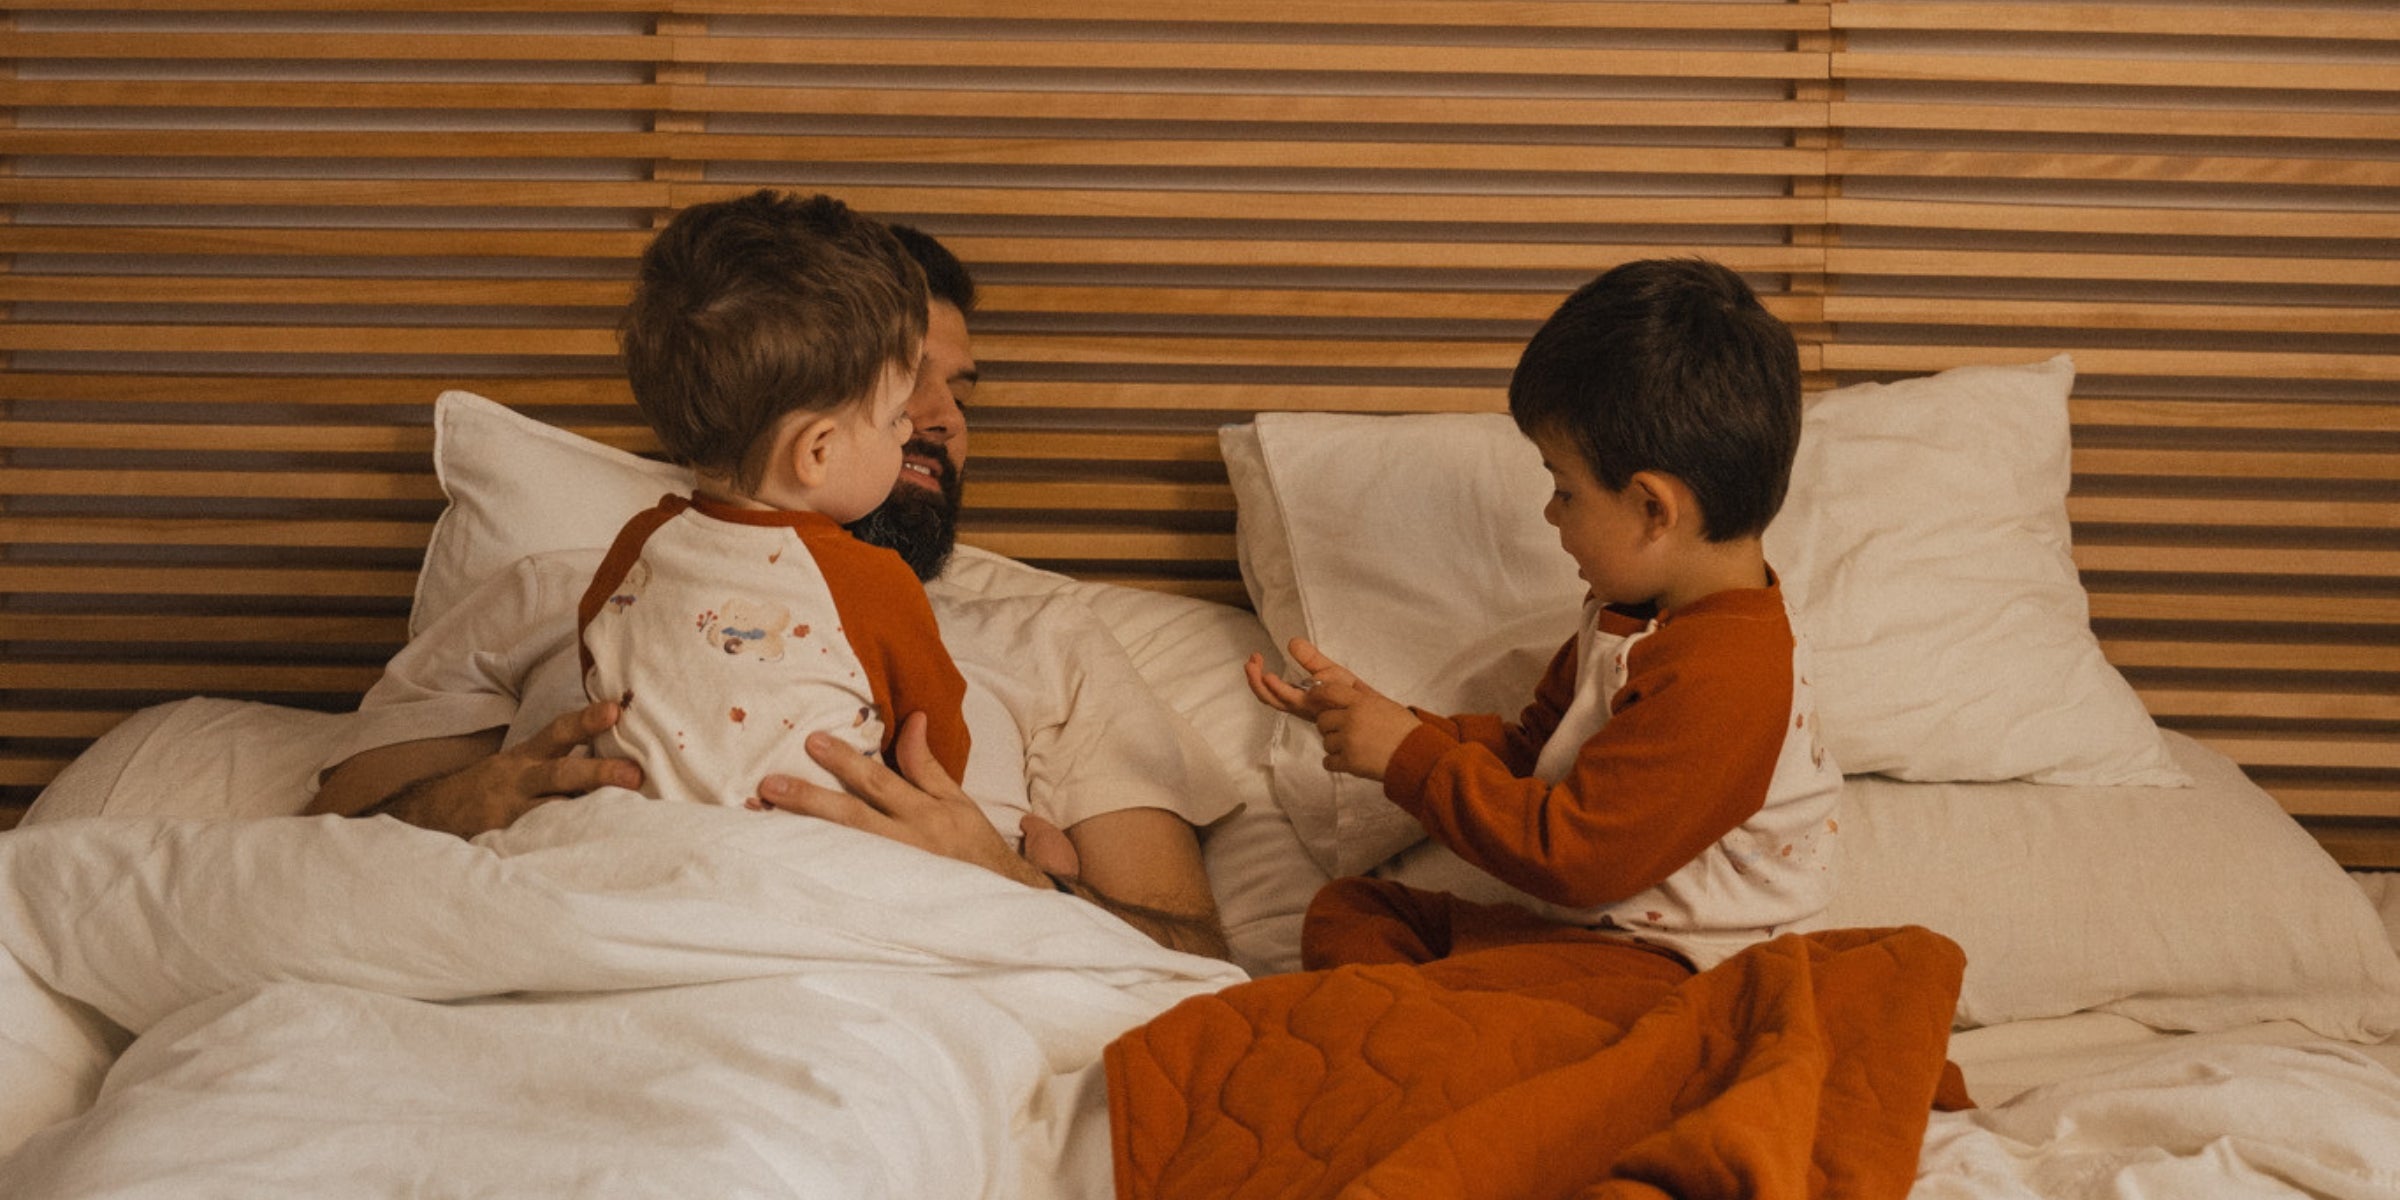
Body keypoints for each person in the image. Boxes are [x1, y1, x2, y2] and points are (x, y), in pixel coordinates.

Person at [306, 217, 1233, 959]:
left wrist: (1012, 880)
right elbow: (309, 858)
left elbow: (1193, 959)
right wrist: (478, 800)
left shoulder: (1044, 635)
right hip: (570, 934)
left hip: (900, 990)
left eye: (963, 394)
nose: (939, 420)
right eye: (905, 390)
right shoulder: (560, 587)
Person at [1244, 258, 1840, 973]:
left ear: (1653, 509)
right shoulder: (1634, 612)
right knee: (1356, 912)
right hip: (1594, 944)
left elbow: (1579, 859)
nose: (1550, 514)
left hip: (1690, 963)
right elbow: (1538, 753)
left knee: (1452, 1023)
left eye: (1565, 490)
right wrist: (1386, 723)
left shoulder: (1730, 675)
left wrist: (1409, 758)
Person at [580, 191, 970, 808]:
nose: (909, 430)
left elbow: (598, 672)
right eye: (896, 416)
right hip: (804, 854)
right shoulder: (873, 581)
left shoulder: (637, 544)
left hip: (626, 836)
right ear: (817, 451)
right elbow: (935, 755)